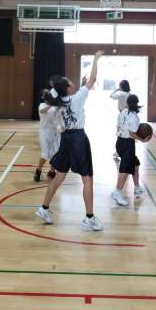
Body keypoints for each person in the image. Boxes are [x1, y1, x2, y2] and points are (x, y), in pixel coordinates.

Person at [35, 50, 104, 232]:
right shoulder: (77, 98)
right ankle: (89, 218)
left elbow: (61, 123)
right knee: (87, 179)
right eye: (67, 80)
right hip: (78, 139)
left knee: (59, 175)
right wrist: (95, 59)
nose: (70, 80)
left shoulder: (58, 105)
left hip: (66, 139)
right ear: (67, 87)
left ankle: (44, 208)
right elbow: (92, 79)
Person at [111, 94, 147, 207]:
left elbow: (120, 127)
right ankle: (117, 192)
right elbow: (132, 134)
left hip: (119, 142)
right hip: (127, 144)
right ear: (136, 103)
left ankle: (137, 188)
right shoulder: (134, 117)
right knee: (125, 170)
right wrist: (142, 139)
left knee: (135, 164)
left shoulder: (122, 112)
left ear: (127, 103)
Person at [33, 89, 62, 183]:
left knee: (55, 154)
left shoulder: (54, 106)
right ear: (42, 97)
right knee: (45, 154)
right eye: (45, 93)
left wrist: (59, 104)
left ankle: (52, 171)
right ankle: (38, 170)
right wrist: (51, 104)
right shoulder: (42, 105)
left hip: (54, 132)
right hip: (44, 132)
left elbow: (59, 114)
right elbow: (42, 111)